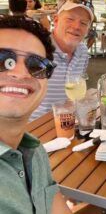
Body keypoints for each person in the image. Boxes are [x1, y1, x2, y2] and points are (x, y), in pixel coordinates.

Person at [0, 15, 71, 213]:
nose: (21, 73)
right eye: (3, 59)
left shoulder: (34, 151)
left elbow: (55, 204)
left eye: (36, 65)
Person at [31, 0, 94, 121]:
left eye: (83, 23)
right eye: (70, 19)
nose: (76, 26)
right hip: (36, 126)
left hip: (67, 122)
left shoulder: (82, 51)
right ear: (56, 20)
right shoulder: (37, 49)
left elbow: (75, 93)